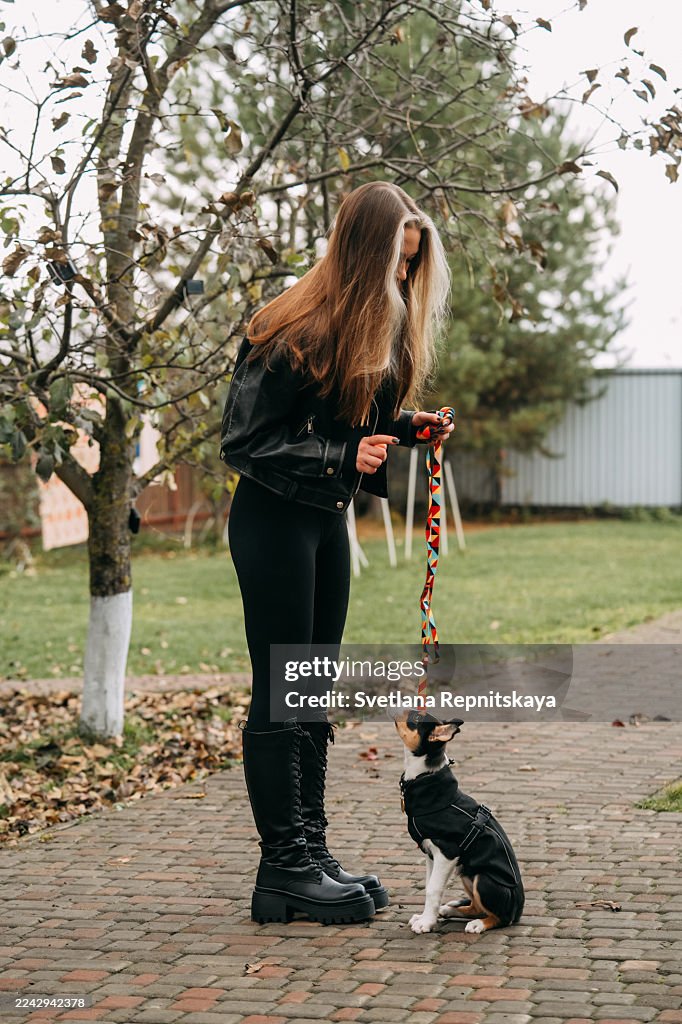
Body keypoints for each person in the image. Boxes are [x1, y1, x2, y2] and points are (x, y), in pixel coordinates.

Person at [220, 180, 454, 925]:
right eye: (395, 261)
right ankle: (282, 869)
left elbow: (344, 421)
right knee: (280, 688)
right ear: (363, 251)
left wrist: (410, 426)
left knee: (311, 689)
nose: (403, 277)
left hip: (323, 522)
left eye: (412, 266)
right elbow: (246, 440)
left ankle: (310, 852)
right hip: (274, 524)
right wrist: (340, 457)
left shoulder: (369, 326)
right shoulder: (290, 325)